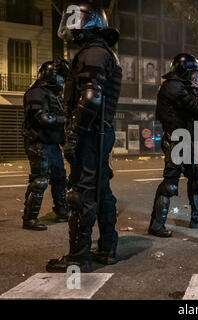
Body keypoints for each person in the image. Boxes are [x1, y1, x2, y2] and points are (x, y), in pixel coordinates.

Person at [46, 1, 122, 273]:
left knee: (81, 194)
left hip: (91, 134)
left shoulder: (92, 53)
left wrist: (74, 135)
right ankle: (107, 248)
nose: (71, 26)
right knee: (101, 192)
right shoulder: (102, 53)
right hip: (99, 132)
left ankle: (79, 257)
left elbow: (90, 98)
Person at [148, 53, 198, 238]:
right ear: (184, 72)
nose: (195, 78)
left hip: (185, 140)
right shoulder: (173, 87)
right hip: (176, 140)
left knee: (196, 179)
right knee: (170, 184)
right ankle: (156, 225)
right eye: (193, 74)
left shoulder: (180, 87)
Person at [22, 60, 70, 231]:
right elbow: (45, 119)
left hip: (52, 143)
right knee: (39, 180)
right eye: (60, 77)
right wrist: (67, 120)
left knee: (59, 179)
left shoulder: (53, 95)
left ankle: (62, 211)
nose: (62, 81)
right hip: (38, 143)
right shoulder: (36, 93)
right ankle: (29, 219)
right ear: (51, 76)